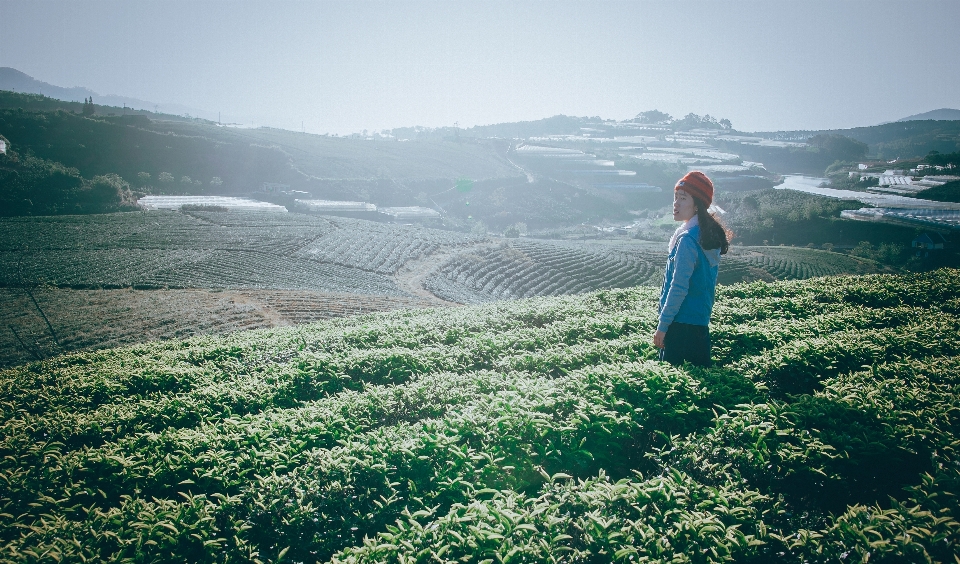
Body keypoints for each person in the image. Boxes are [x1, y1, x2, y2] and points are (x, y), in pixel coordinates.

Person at [653, 171, 731, 367]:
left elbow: (678, 287)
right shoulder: (706, 235)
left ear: (697, 205)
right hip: (699, 325)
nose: (676, 203)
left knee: (673, 389)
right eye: (675, 197)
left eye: (683, 198)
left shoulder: (688, 240)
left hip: (680, 326)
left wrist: (663, 326)